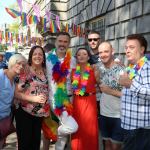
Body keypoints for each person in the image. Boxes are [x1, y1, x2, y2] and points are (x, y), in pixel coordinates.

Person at [46, 32, 78, 150]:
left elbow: (79, 75)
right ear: (55, 42)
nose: (62, 44)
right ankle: (55, 133)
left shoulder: (73, 60)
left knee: (64, 129)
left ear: (69, 44)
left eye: (65, 42)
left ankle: (58, 144)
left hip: (70, 98)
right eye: (60, 41)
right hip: (56, 100)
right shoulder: (47, 59)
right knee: (72, 127)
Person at [14, 45, 50, 150]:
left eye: (40, 54)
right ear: (31, 56)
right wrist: (34, 99)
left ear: (43, 57)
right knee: (25, 144)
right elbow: (16, 93)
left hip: (39, 114)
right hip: (24, 112)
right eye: (35, 54)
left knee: (35, 144)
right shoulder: (25, 71)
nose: (37, 56)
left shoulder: (45, 71)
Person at [119, 34, 150, 150]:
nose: (127, 50)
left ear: (142, 50)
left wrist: (130, 84)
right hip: (130, 124)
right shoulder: (131, 67)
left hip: (139, 128)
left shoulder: (147, 67)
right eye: (126, 47)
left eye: (131, 47)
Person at [71, 47, 99, 150]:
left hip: (90, 102)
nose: (81, 56)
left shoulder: (94, 70)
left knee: (90, 129)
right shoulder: (73, 72)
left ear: (88, 57)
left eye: (84, 54)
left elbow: (100, 84)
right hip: (77, 103)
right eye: (79, 55)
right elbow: (72, 88)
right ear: (76, 58)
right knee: (77, 129)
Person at [98, 42, 125, 150]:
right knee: (107, 144)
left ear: (112, 51)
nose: (103, 54)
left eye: (106, 51)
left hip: (118, 116)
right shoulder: (100, 69)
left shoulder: (121, 70)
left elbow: (129, 95)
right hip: (104, 114)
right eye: (100, 52)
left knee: (115, 146)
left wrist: (110, 91)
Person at [0, 54, 27, 149]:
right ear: (11, 63)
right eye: (18, 63)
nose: (21, 67)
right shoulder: (1, 75)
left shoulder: (15, 79)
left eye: (23, 65)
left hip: (5, 118)